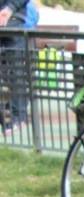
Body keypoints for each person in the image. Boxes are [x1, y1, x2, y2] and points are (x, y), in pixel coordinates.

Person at [0, 0, 32, 133]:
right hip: (11, 17)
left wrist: (9, 9)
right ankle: (16, 117)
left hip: (12, 20)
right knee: (15, 71)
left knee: (15, 71)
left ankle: (18, 117)